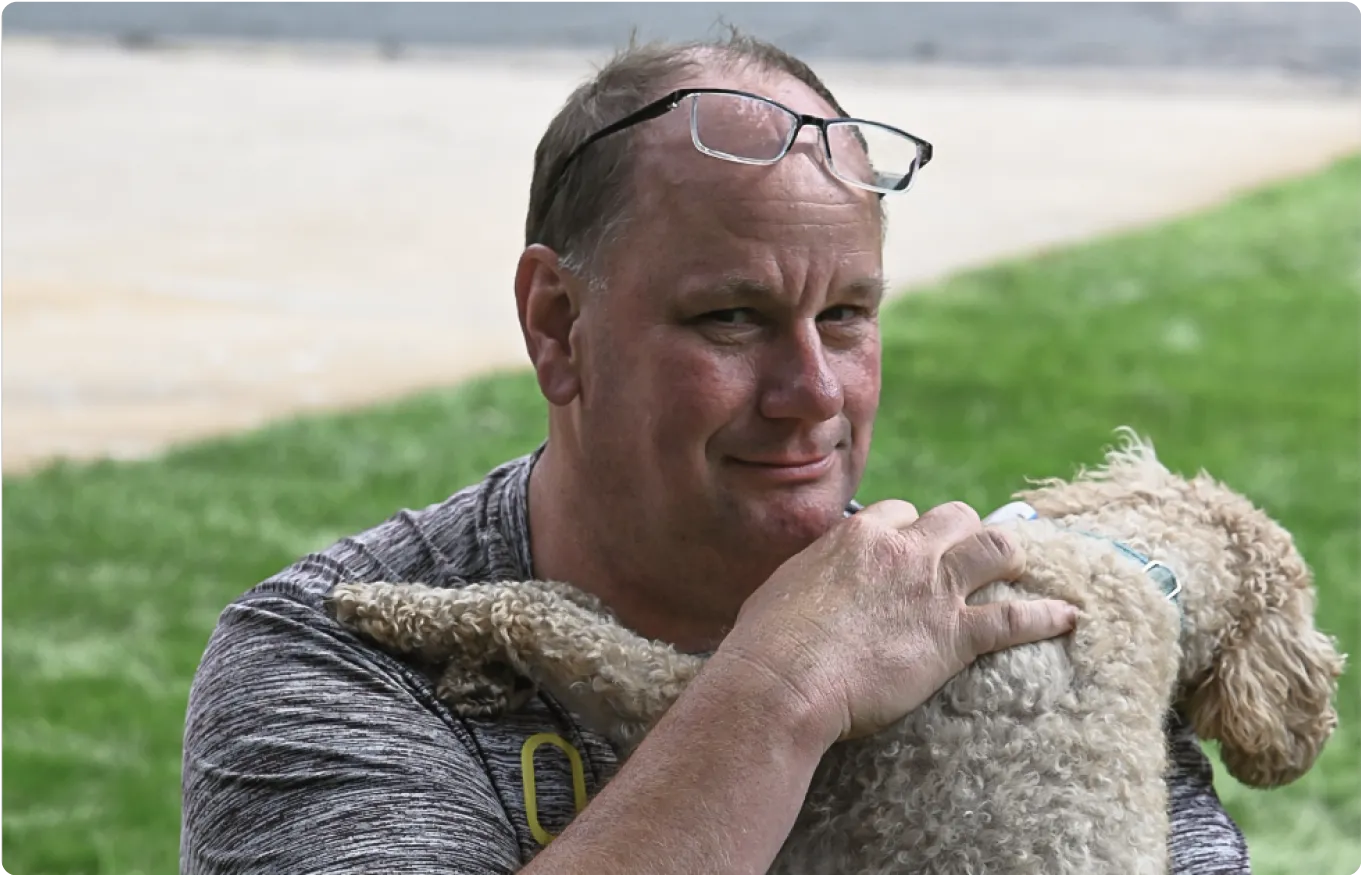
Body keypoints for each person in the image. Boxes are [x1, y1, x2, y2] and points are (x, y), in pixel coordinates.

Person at [179, 31, 1251, 875]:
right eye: (731, 317)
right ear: (557, 323)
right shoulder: (336, 660)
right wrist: (780, 686)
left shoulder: (1013, 641)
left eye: (845, 315)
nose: (813, 392)